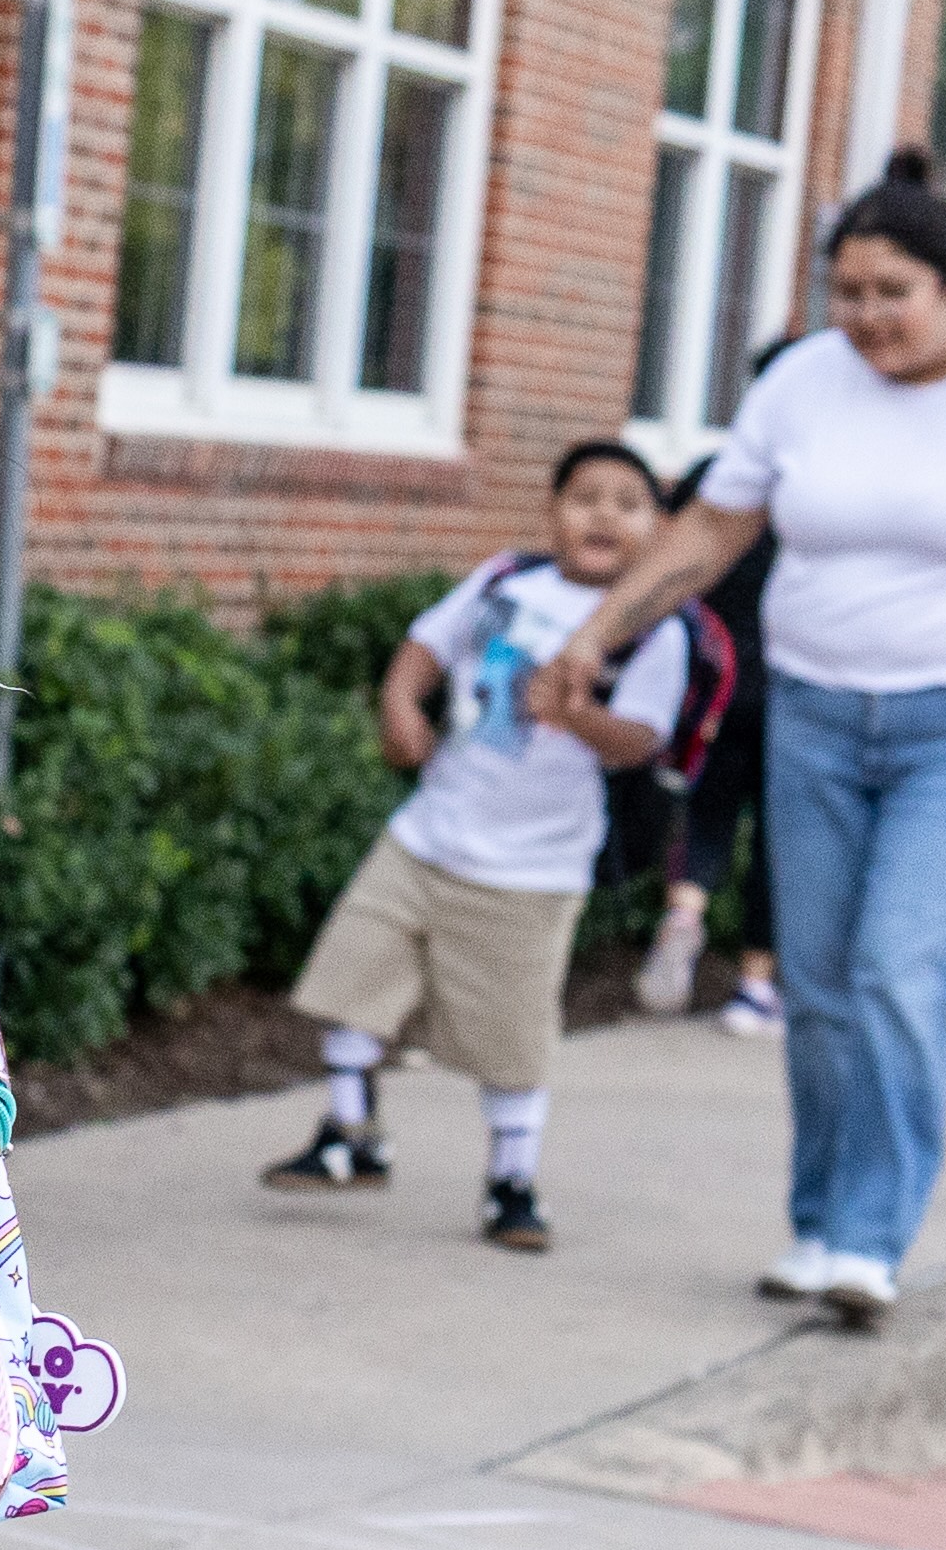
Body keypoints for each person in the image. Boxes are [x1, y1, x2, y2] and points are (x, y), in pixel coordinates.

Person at [545, 149, 946, 1325]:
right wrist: (600, 630)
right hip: (813, 713)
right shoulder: (805, 382)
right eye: (846, 292)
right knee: (812, 983)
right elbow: (712, 530)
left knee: (898, 974)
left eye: (890, 293)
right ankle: (816, 1221)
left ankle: (873, 1236)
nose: (865, 318)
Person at [267, 439, 686, 1243]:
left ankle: (511, 1182)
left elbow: (640, 739)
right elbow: (426, 645)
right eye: (584, 496)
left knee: (511, 1034)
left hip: (533, 867)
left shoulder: (648, 632)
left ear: (658, 533)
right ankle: (350, 1136)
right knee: (351, 976)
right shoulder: (504, 580)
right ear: (551, 513)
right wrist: (401, 706)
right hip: (428, 833)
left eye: (627, 502)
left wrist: (577, 716)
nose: (602, 513)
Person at [633, 466, 781, 1037]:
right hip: (785, 690)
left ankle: (685, 912)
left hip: (715, 683)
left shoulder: (717, 473)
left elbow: (672, 537)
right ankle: (754, 987)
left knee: (708, 814)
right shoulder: (816, 480)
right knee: (774, 842)